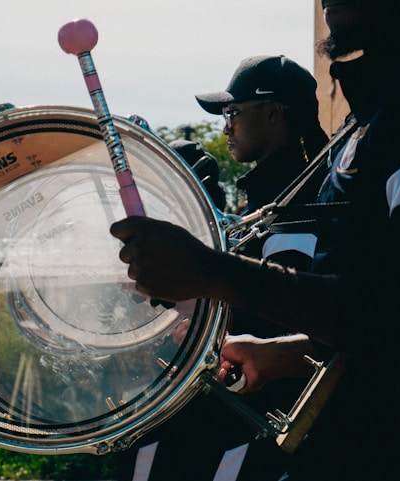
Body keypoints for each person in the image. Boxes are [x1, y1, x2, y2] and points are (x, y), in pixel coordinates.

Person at [110, 1, 400, 479]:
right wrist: (285, 355)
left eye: (235, 112)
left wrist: (209, 271)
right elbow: (379, 320)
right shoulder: (386, 107)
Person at [117, 55, 328, 481]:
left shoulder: (300, 205)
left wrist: (196, 309)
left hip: (257, 411)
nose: (225, 126)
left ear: (273, 114)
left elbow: (277, 317)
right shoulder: (267, 200)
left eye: (234, 112)